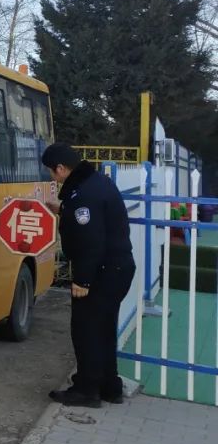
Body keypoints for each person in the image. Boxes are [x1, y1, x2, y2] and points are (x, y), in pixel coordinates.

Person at [42, 143, 136, 408]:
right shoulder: (96, 184)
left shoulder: (84, 194)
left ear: (61, 168)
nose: (53, 177)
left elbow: (90, 241)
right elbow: (93, 219)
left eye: (52, 172)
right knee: (104, 330)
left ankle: (86, 389)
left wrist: (82, 280)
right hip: (116, 269)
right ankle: (109, 386)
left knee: (86, 331)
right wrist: (62, 209)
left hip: (100, 273)